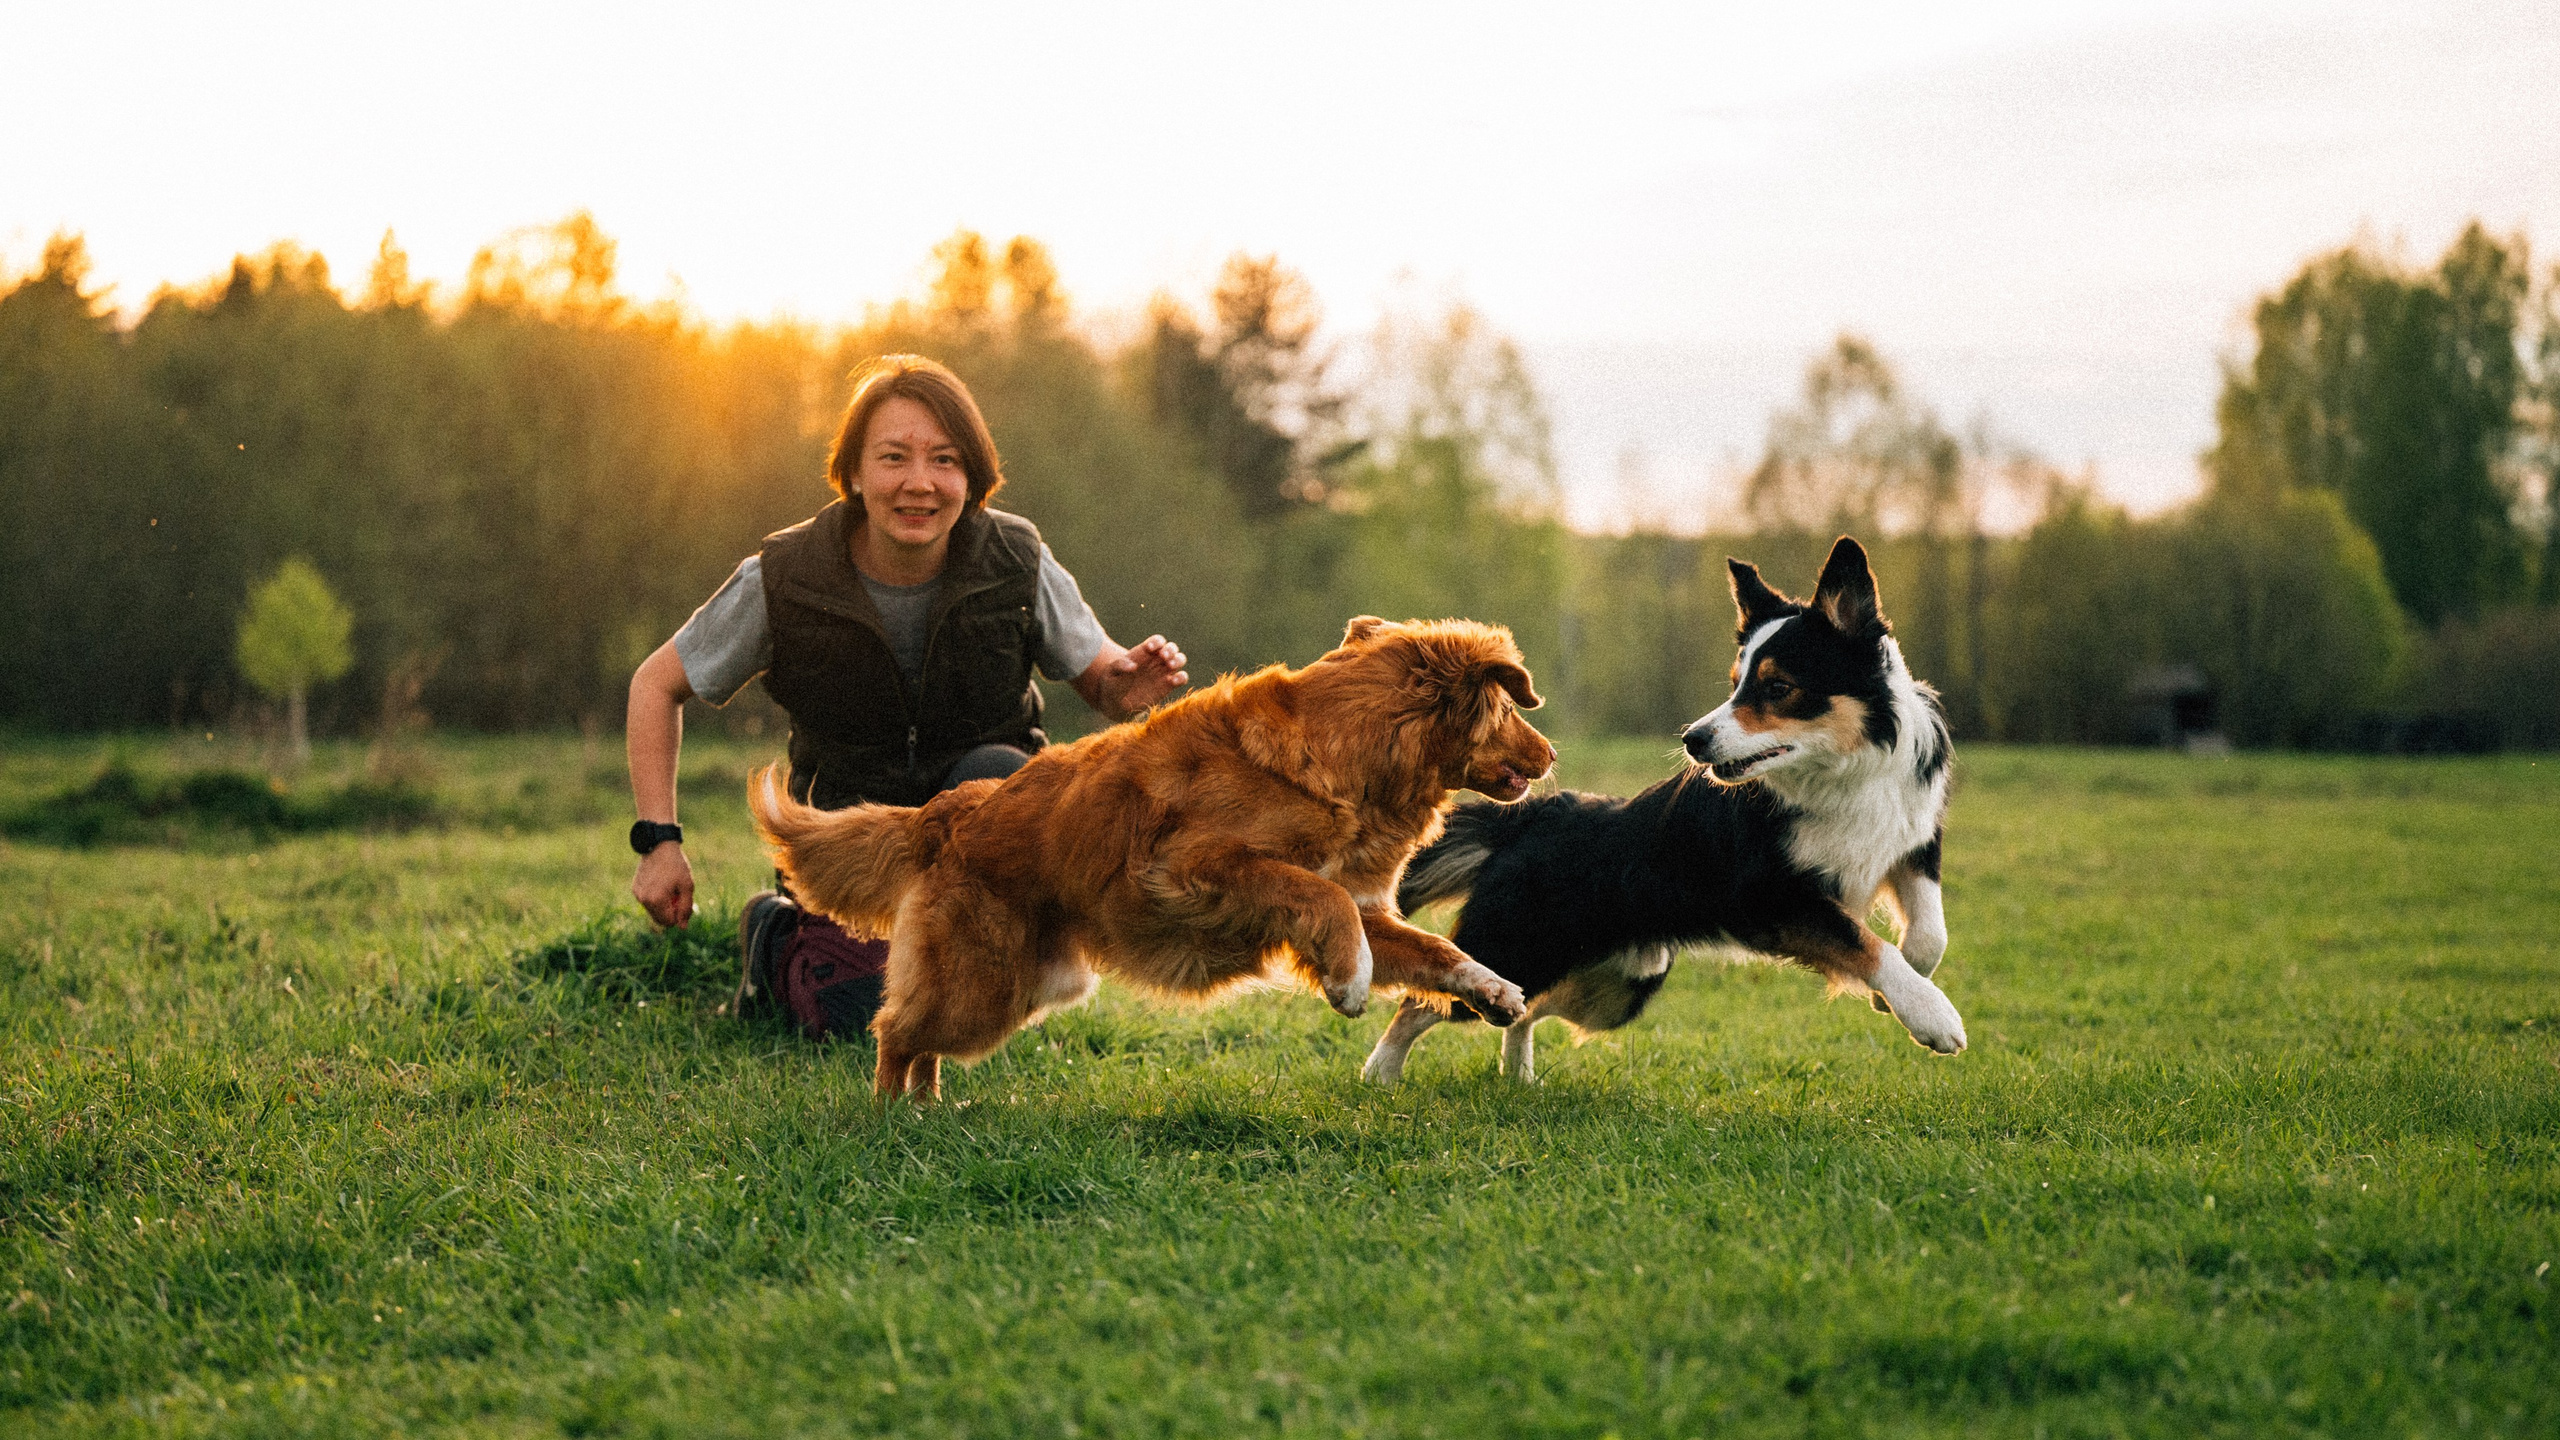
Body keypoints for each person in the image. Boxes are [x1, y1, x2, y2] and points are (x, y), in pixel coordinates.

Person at [625, 355, 1188, 1040]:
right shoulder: (784, 578)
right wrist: (660, 843)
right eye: (894, 457)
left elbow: (1103, 680)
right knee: (862, 1017)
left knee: (1002, 786)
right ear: (854, 473)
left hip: (986, 838)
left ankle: (994, 963)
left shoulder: (1017, 560)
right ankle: (774, 934)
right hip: (857, 848)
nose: (919, 484)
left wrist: (1128, 685)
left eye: (945, 460)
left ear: (971, 478)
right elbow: (657, 685)